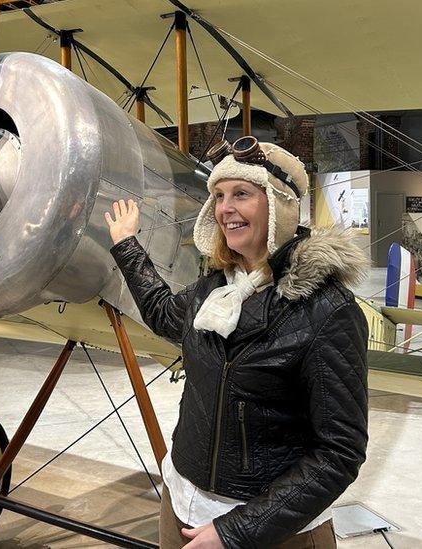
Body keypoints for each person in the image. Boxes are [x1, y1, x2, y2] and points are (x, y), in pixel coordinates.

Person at [104, 138, 370, 548]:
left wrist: (234, 532)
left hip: (270, 531)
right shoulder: (212, 291)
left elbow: (339, 453)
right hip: (181, 503)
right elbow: (161, 313)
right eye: (219, 196)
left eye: (241, 194)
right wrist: (126, 245)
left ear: (280, 206)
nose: (224, 209)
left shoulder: (328, 311)